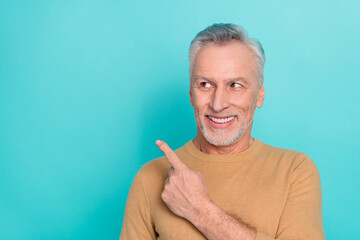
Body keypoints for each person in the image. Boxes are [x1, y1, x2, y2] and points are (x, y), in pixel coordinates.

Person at [119, 23, 325, 240]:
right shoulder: (150, 177)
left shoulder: (295, 171)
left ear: (260, 94)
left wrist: (200, 210)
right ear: (191, 93)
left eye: (235, 85)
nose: (218, 104)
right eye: (205, 84)